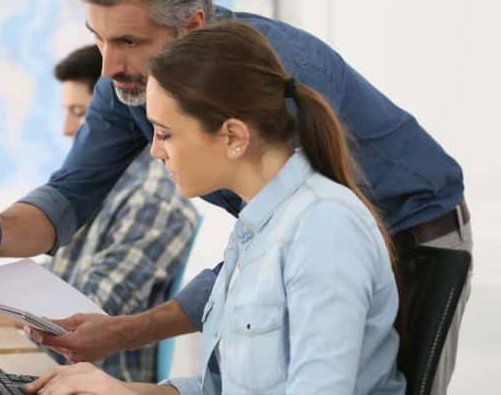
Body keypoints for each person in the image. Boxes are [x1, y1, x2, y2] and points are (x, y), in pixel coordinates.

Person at [0, 0, 470, 393]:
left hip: (412, 227)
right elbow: (71, 194)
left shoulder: (281, 95)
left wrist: (125, 337)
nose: (109, 67)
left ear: (190, 25)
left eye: (129, 42)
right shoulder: (133, 88)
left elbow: (297, 248)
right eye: (98, 40)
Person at [26, 20, 406, 394]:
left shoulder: (324, 227)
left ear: (233, 136)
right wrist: (121, 392)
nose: (156, 151)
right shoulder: (254, 230)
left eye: (165, 133)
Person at [0, 44, 198, 382]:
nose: (67, 128)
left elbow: (83, 314)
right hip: (53, 372)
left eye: (79, 113)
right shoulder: (96, 192)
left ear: (117, 116)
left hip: (96, 381)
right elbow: (58, 279)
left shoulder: (152, 203)